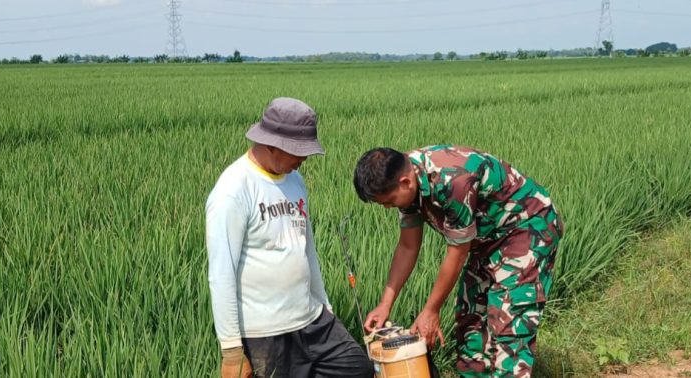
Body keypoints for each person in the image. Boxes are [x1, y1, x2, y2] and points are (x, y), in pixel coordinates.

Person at [353, 145, 563, 377]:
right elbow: (408, 246)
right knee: (471, 318)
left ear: (405, 182)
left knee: (508, 322)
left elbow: (458, 252)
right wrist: (385, 304)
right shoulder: (406, 183)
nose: (387, 207)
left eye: (389, 201)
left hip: (526, 228)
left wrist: (431, 310)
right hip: (486, 238)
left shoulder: (453, 180)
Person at [207, 97, 371, 378]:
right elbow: (221, 273)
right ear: (272, 145)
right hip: (266, 333)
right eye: (298, 151)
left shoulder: (295, 180)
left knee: (358, 369)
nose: (303, 159)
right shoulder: (233, 191)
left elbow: (307, 249)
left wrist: (325, 306)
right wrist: (232, 351)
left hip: (312, 319)